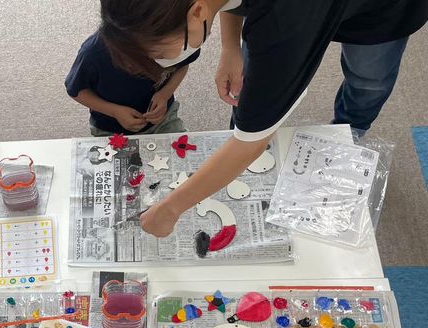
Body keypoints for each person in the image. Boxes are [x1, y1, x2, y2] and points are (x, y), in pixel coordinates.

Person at [98, 0, 428, 238]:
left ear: (196, 12)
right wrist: (230, 47)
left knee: (369, 79)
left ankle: (351, 129)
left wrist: (170, 209)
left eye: (160, 53)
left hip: (381, 10)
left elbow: (250, 143)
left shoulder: (282, 25)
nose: (159, 62)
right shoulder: (222, 12)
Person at [66, 23, 200, 136]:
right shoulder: (93, 54)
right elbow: (77, 91)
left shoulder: (176, 43)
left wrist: (165, 94)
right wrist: (114, 111)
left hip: (163, 119)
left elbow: (182, 66)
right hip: (110, 127)